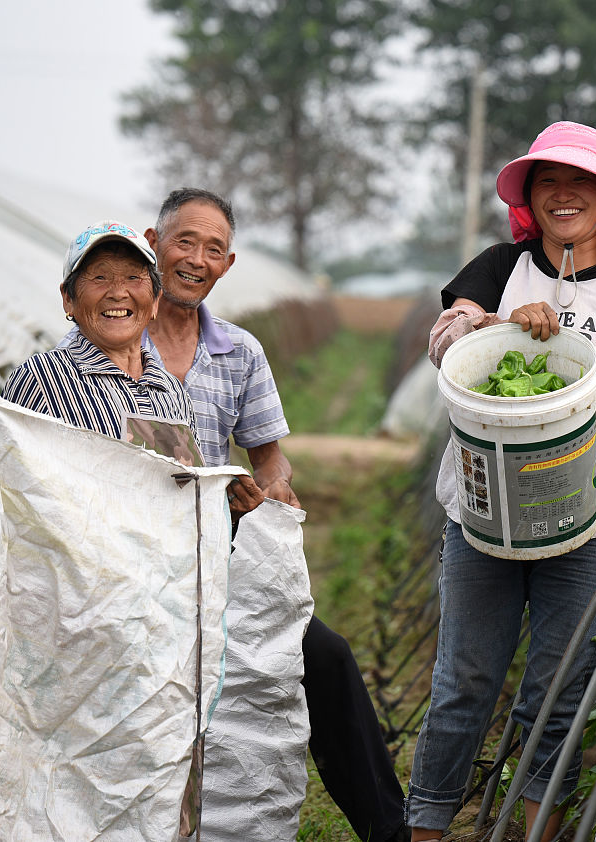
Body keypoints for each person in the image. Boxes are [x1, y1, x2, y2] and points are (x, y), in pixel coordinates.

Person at [408, 121, 596, 841]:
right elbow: (446, 338)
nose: (565, 195)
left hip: (587, 524)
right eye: (548, 182)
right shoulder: (502, 265)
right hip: (484, 511)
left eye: (581, 182)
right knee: (463, 686)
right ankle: (428, 828)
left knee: (558, 695)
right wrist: (494, 327)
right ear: (530, 197)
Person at [140, 188, 407, 842]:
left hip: (219, 552)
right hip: (137, 557)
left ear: (227, 264)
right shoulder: (112, 340)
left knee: (325, 657)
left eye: (212, 248)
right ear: (154, 242)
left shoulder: (239, 352)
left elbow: (271, 459)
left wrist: (272, 490)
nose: (196, 258)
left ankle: (389, 829)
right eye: (184, 241)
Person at [0, 220, 196, 529]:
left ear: (155, 302)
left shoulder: (173, 392)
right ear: (69, 298)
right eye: (100, 277)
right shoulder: (41, 378)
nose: (118, 293)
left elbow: (190, 505)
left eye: (134, 277)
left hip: (166, 575)